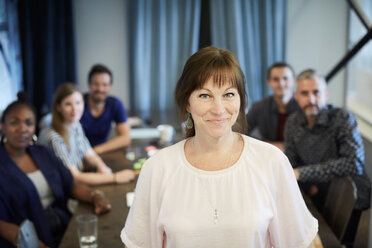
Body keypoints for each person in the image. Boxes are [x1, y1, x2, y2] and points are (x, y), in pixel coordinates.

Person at [121, 46, 317, 247]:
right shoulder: (157, 168)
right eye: (205, 95)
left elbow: (297, 243)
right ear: (187, 102)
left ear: (241, 100)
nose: (218, 109)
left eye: (229, 94)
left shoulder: (272, 162)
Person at [0, 94, 111, 248]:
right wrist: (35, 245)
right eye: (14, 123)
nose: (22, 128)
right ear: (2, 126)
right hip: (24, 242)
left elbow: (70, 185)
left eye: (28, 123)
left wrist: (95, 196)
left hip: (61, 228)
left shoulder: (42, 153)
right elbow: (2, 224)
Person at [284, 69, 371, 243]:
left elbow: (354, 163)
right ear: (296, 96)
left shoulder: (343, 118)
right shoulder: (292, 122)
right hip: (316, 192)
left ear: (326, 94)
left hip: (350, 198)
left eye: (316, 92)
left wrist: (303, 174)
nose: (311, 99)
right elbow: (291, 165)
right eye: (305, 93)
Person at [38, 83, 135, 185]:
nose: (74, 109)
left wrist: (101, 166)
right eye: (68, 104)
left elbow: (88, 153)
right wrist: (115, 177)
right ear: (58, 107)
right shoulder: (54, 138)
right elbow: (75, 177)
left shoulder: (75, 124)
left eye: (78, 103)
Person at [246, 62, 299, 151]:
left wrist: (285, 146)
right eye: (275, 79)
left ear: (294, 81)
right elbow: (241, 131)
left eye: (285, 78)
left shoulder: (303, 106)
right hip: (268, 155)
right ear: (269, 82)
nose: (281, 84)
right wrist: (264, 144)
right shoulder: (259, 107)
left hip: (298, 160)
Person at [80, 64, 131, 154]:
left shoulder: (115, 104)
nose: (100, 88)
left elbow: (125, 138)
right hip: (79, 154)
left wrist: (95, 151)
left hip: (101, 152)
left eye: (105, 84)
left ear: (110, 86)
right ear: (89, 84)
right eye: (96, 84)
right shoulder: (78, 103)